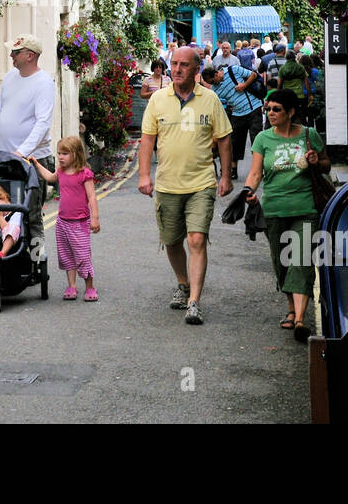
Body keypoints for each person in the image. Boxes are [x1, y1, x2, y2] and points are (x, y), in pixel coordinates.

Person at [138, 46, 232, 326]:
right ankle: (182, 283)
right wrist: (144, 175)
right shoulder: (157, 100)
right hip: (167, 184)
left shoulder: (211, 100)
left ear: (196, 69)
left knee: (196, 239)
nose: (176, 69)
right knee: (171, 240)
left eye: (183, 65)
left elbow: (224, 139)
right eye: (174, 64)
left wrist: (225, 176)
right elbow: (147, 140)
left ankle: (194, 301)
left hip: (201, 182)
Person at [242, 88, 329, 343]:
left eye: (276, 109)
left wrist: (314, 160)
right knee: (282, 264)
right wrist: (249, 190)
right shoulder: (262, 139)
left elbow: (326, 165)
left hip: (305, 208)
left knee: (301, 261)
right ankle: (291, 309)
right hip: (274, 209)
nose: (270, 114)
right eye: (268, 109)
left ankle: (300, 319)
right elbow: (256, 172)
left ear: (291, 112)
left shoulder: (309, 135)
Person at [0, 34, 57, 240]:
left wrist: (21, 152)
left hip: (31, 161)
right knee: (2, 213)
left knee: (31, 217)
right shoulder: (10, 77)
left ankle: (36, 259)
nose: (11, 55)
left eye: (15, 52)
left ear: (30, 55)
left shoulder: (44, 83)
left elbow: (42, 123)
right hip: (5, 159)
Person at [31, 136, 99, 301]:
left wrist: (95, 218)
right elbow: (49, 177)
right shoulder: (60, 172)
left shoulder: (84, 174)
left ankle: (90, 287)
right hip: (62, 222)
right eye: (59, 153)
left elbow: (92, 197)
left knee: (82, 256)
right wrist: (37, 164)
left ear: (76, 154)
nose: (61, 157)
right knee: (67, 256)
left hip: (80, 223)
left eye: (65, 154)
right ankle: (72, 286)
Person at [212, 60, 262, 180]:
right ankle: (233, 170)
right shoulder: (215, 88)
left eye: (213, 81)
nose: (213, 84)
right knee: (234, 142)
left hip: (253, 107)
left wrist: (244, 85)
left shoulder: (233, 70)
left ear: (216, 74)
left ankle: (259, 170)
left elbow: (253, 74)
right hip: (237, 113)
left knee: (257, 141)